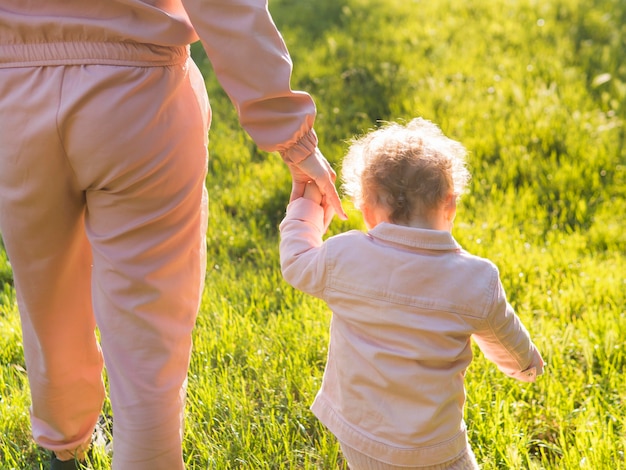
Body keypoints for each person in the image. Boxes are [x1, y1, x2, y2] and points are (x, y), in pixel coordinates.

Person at [0, 1, 346, 469]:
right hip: (137, 94)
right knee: (148, 324)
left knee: (45, 293)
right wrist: (291, 136)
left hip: (12, 97)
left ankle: (62, 445)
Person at [279, 118, 544, 470]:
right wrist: (525, 365)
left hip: (360, 434)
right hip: (434, 445)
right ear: (449, 204)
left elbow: (296, 260)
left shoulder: (344, 256)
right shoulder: (475, 278)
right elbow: (504, 336)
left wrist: (310, 207)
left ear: (367, 211)